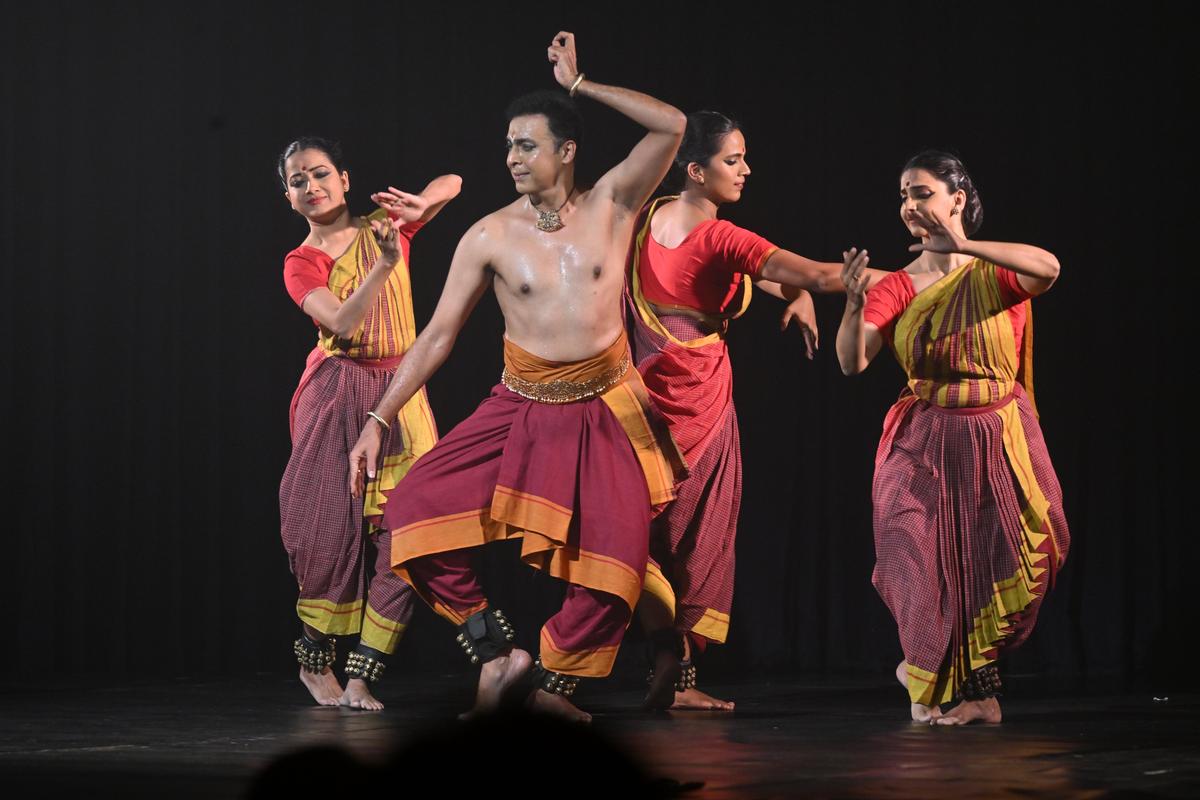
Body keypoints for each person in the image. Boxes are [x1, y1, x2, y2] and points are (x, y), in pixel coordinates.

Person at [348, 32, 687, 724]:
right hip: (519, 407)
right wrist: (378, 418)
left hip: (602, 409)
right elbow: (438, 336)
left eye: (526, 145)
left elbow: (673, 125)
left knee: (613, 567)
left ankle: (554, 692)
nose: (511, 158)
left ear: (566, 150)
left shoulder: (614, 204)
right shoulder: (488, 236)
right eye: (507, 146)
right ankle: (496, 652)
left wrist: (580, 83)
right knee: (411, 514)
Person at [629, 111, 888, 711]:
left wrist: (791, 293)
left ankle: (669, 665)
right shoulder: (722, 235)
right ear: (696, 170)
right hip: (696, 397)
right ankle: (674, 667)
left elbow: (725, 276)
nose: (747, 170)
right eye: (732, 160)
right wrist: (916, 276)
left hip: (639, 392)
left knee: (638, 532)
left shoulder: (647, 218)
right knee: (693, 536)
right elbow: (822, 273)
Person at [835, 150, 1069, 724]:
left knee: (990, 565)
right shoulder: (898, 285)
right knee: (912, 553)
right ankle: (925, 674)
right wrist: (853, 304)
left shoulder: (991, 270)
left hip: (997, 436)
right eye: (903, 196)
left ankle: (982, 697)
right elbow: (852, 362)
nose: (910, 206)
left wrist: (962, 248)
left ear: (957, 200)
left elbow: (1049, 267)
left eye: (921, 193)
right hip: (925, 439)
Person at [278, 136, 461, 709]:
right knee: (327, 534)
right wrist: (386, 262)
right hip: (336, 396)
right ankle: (315, 660)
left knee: (404, 535)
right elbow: (343, 323)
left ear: (346, 177)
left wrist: (418, 203)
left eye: (321, 173)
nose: (312, 186)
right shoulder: (302, 262)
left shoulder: (387, 224)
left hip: (403, 394)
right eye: (298, 180)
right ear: (287, 197)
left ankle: (363, 675)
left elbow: (453, 180)